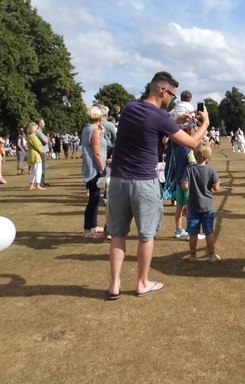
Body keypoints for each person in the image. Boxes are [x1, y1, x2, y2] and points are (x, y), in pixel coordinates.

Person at [106, 71, 210, 300]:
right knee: (146, 235)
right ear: (163, 91)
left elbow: (152, 130)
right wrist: (206, 123)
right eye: (172, 95)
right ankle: (142, 283)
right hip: (144, 182)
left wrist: (175, 122)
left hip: (118, 181)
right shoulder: (160, 116)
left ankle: (114, 286)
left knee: (117, 234)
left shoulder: (131, 108)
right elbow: (193, 143)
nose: (172, 99)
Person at [181, 142, 221, 262]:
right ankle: (212, 255)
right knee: (209, 232)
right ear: (208, 156)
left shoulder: (189, 169)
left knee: (193, 233)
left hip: (193, 205)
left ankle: (193, 255)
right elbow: (216, 188)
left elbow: (184, 185)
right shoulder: (211, 170)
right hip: (208, 206)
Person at [81, 107, 107, 239]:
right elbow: (97, 153)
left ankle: (93, 225)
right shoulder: (94, 131)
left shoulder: (87, 129)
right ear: (100, 117)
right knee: (94, 198)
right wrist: (104, 170)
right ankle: (88, 228)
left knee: (95, 198)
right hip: (95, 169)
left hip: (90, 168)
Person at [26, 123, 45, 191]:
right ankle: (37, 184)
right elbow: (37, 145)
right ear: (33, 129)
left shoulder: (29, 136)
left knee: (33, 171)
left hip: (32, 155)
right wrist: (42, 152)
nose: (38, 129)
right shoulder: (33, 136)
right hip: (35, 155)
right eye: (37, 128)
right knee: (38, 170)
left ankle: (31, 185)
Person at [36, 118, 50, 187]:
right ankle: (41, 183)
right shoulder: (38, 132)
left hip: (43, 151)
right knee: (42, 167)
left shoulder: (40, 132)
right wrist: (47, 138)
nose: (44, 124)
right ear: (39, 124)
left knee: (43, 167)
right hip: (42, 152)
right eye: (43, 123)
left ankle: (43, 182)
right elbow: (46, 141)